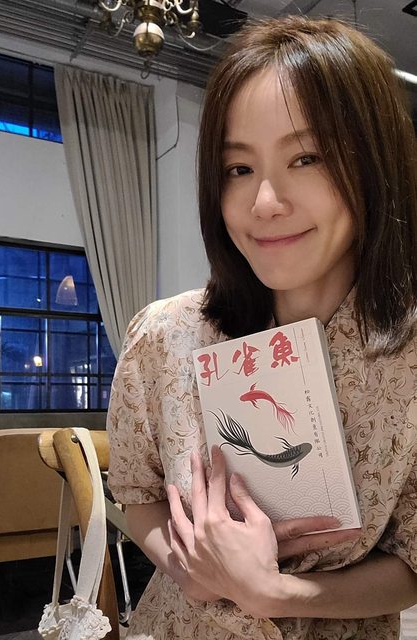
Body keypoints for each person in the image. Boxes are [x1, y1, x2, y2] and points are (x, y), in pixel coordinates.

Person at [107, 15, 417, 640]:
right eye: (238, 169)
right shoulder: (164, 337)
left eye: (307, 158)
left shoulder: (408, 358)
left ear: (374, 167)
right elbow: (137, 493)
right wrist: (189, 569)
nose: (265, 202)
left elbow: (412, 561)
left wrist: (274, 592)